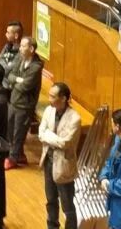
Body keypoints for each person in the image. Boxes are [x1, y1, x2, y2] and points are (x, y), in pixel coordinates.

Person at [39, 82, 81, 229]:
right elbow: (41, 133)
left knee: (67, 205)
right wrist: (53, 138)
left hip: (64, 166)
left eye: (53, 96)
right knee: (50, 200)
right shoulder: (48, 111)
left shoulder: (75, 118)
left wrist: (48, 136)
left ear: (63, 98)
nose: (49, 99)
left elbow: (65, 143)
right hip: (48, 162)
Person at [6, 36, 43, 170]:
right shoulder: (20, 58)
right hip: (14, 101)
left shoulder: (36, 67)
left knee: (18, 133)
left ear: (31, 49)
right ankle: (20, 155)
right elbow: (9, 75)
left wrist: (16, 82)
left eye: (23, 46)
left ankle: (13, 159)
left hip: (25, 106)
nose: (20, 48)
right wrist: (18, 80)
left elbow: (26, 86)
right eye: (20, 45)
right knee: (10, 131)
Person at [0, 20, 23, 90]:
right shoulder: (7, 46)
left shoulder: (21, 51)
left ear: (16, 36)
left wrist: (2, 64)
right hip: (1, 80)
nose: (6, 34)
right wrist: (6, 64)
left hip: (10, 85)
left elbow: (9, 70)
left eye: (8, 32)